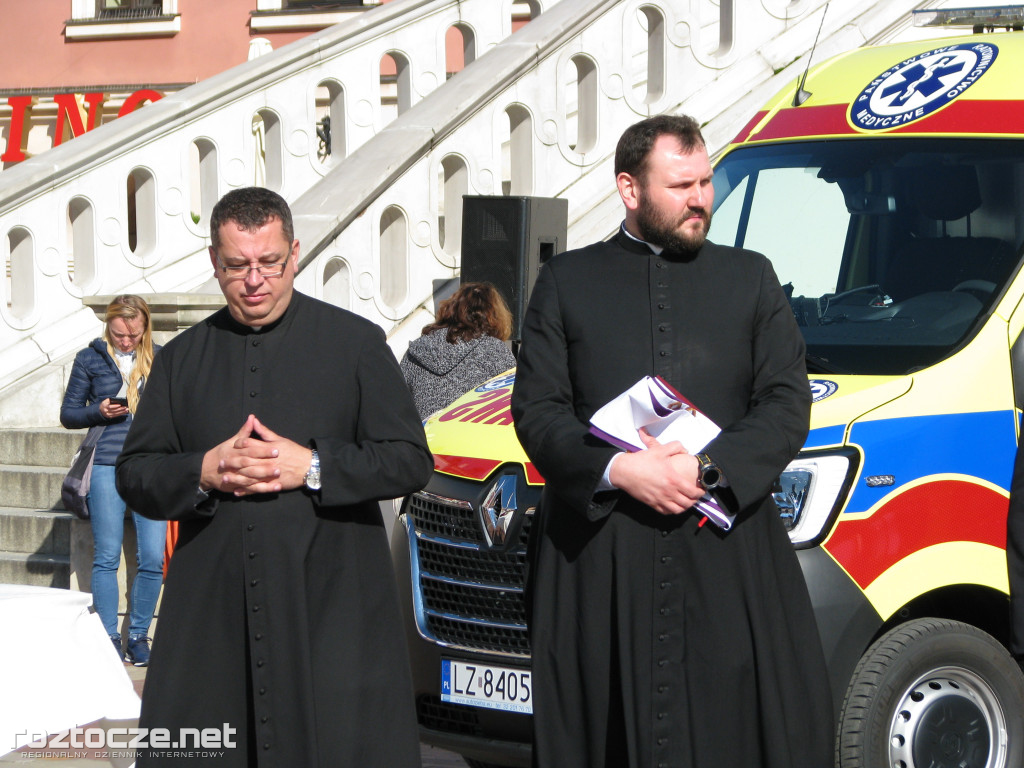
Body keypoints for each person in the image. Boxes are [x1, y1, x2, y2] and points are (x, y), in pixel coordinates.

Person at [510, 115, 833, 768]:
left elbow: (785, 402)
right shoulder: (566, 283)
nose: (700, 200)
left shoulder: (751, 278)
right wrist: (621, 472)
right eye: (681, 185)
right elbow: (538, 411)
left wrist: (706, 471)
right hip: (603, 559)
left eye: (707, 182)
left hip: (722, 547)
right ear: (629, 190)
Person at [115, 187, 434, 766]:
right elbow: (135, 475)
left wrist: (312, 465)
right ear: (215, 263)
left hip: (331, 613)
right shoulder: (182, 358)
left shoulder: (355, 343)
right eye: (237, 266)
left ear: (295, 254)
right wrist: (205, 469)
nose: (255, 280)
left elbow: (410, 459)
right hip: (214, 623)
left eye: (270, 263)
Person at [60, 295, 166, 667]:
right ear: (108, 326)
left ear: (145, 328)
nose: (125, 341)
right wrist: (98, 411)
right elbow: (69, 414)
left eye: (133, 334)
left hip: (150, 466)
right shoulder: (90, 358)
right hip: (106, 462)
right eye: (119, 334)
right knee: (106, 556)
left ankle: (138, 636)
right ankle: (107, 635)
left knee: (152, 557)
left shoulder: (160, 357)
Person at [400, 281, 516, 419]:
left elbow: (396, 405)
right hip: (471, 438)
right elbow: (512, 406)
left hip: (424, 437)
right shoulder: (497, 352)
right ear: (495, 316)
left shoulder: (416, 350)